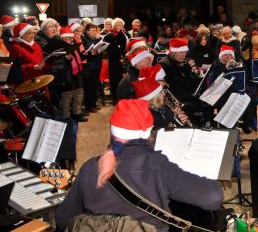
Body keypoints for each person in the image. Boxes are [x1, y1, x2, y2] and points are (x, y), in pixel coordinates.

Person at [55, 99, 223, 231]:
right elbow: (213, 198)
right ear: (147, 132)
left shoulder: (90, 167)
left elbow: (63, 219)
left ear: (112, 130)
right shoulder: (158, 166)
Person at [159, 38, 199, 109]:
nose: (183, 55)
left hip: (189, 97)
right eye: (180, 52)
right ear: (173, 52)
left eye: (185, 52)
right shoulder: (164, 64)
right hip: (178, 101)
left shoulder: (186, 62)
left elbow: (191, 84)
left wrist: (193, 73)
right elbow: (174, 86)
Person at [103, 18, 128, 104]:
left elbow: (123, 49)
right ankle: (114, 98)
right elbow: (106, 47)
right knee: (113, 80)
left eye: (121, 25)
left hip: (120, 61)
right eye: (117, 25)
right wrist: (117, 48)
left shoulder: (122, 36)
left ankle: (119, 98)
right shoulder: (108, 36)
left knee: (120, 80)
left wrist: (116, 48)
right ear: (114, 25)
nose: (119, 27)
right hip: (111, 61)